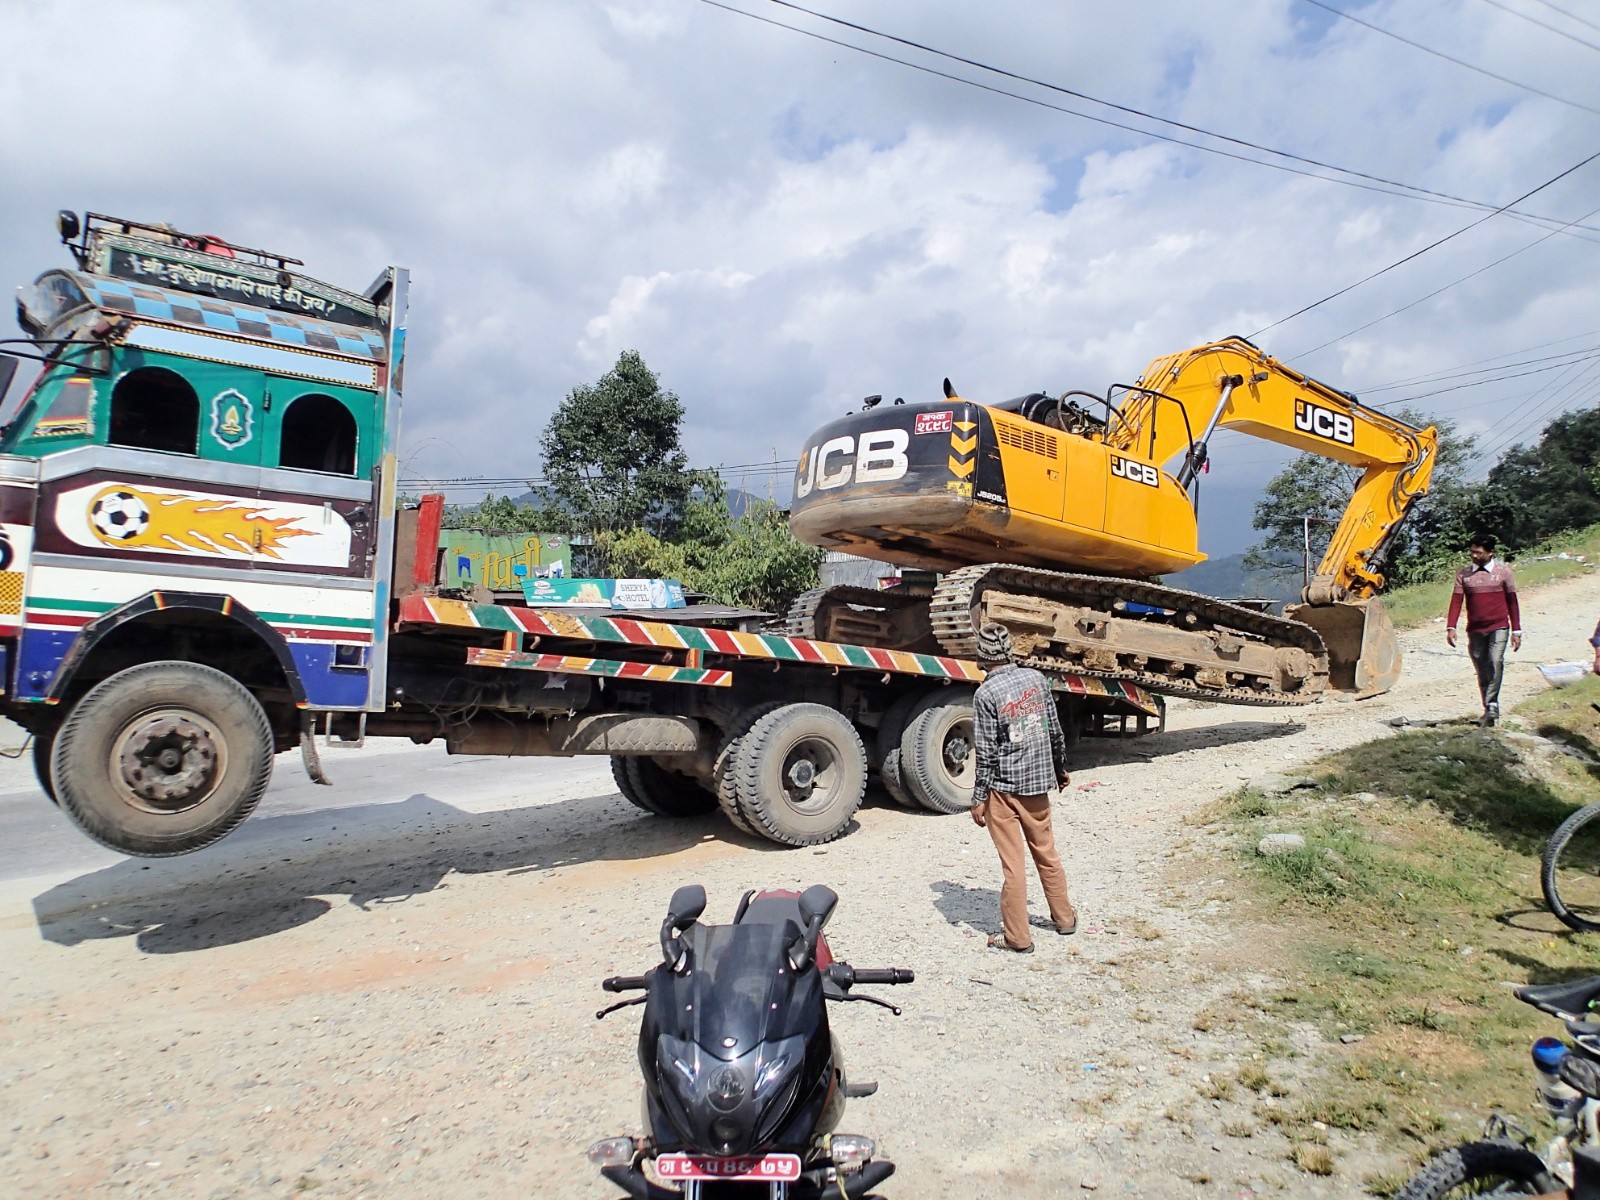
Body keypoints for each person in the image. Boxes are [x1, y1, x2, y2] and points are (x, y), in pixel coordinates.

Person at [968, 623, 1077, 953]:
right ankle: (1065, 919)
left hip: (1004, 790)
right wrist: (1059, 768)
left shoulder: (985, 694)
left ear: (983, 657)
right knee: (1047, 853)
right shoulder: (1036, 680)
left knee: (1013, 866)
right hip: (1037, 787)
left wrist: (978, 799)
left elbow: (986, 752)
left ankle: (1017, 938)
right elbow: (1053, 730)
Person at [1445, 534, 1522, 726]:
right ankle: (1489, 708)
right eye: (1472, 552)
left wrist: (1517, 630)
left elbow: (1512, 601)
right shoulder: (1464, 575)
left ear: (1490, 553)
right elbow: (1456, 601)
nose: (1474, 556)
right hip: (1475, 629)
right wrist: (1451, 626)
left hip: (1499, 626)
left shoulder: (1503, 573)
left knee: (1496, 661)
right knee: (1482, 668)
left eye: (1478, 553)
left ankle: (1492, 705)